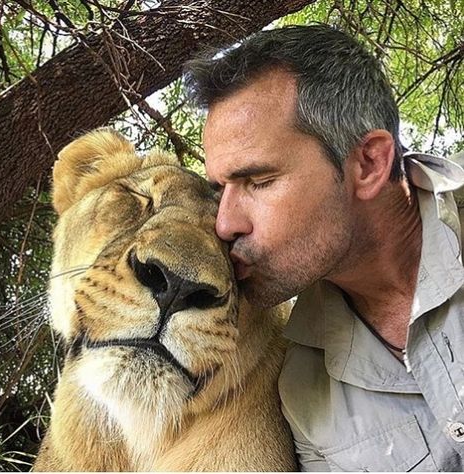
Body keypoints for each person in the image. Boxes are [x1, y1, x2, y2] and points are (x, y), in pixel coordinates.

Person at [183, 24, 464, 471]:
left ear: (368, 164)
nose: (225, 224)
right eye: (221, 189)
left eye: (258, 181)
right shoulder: (302, 387)